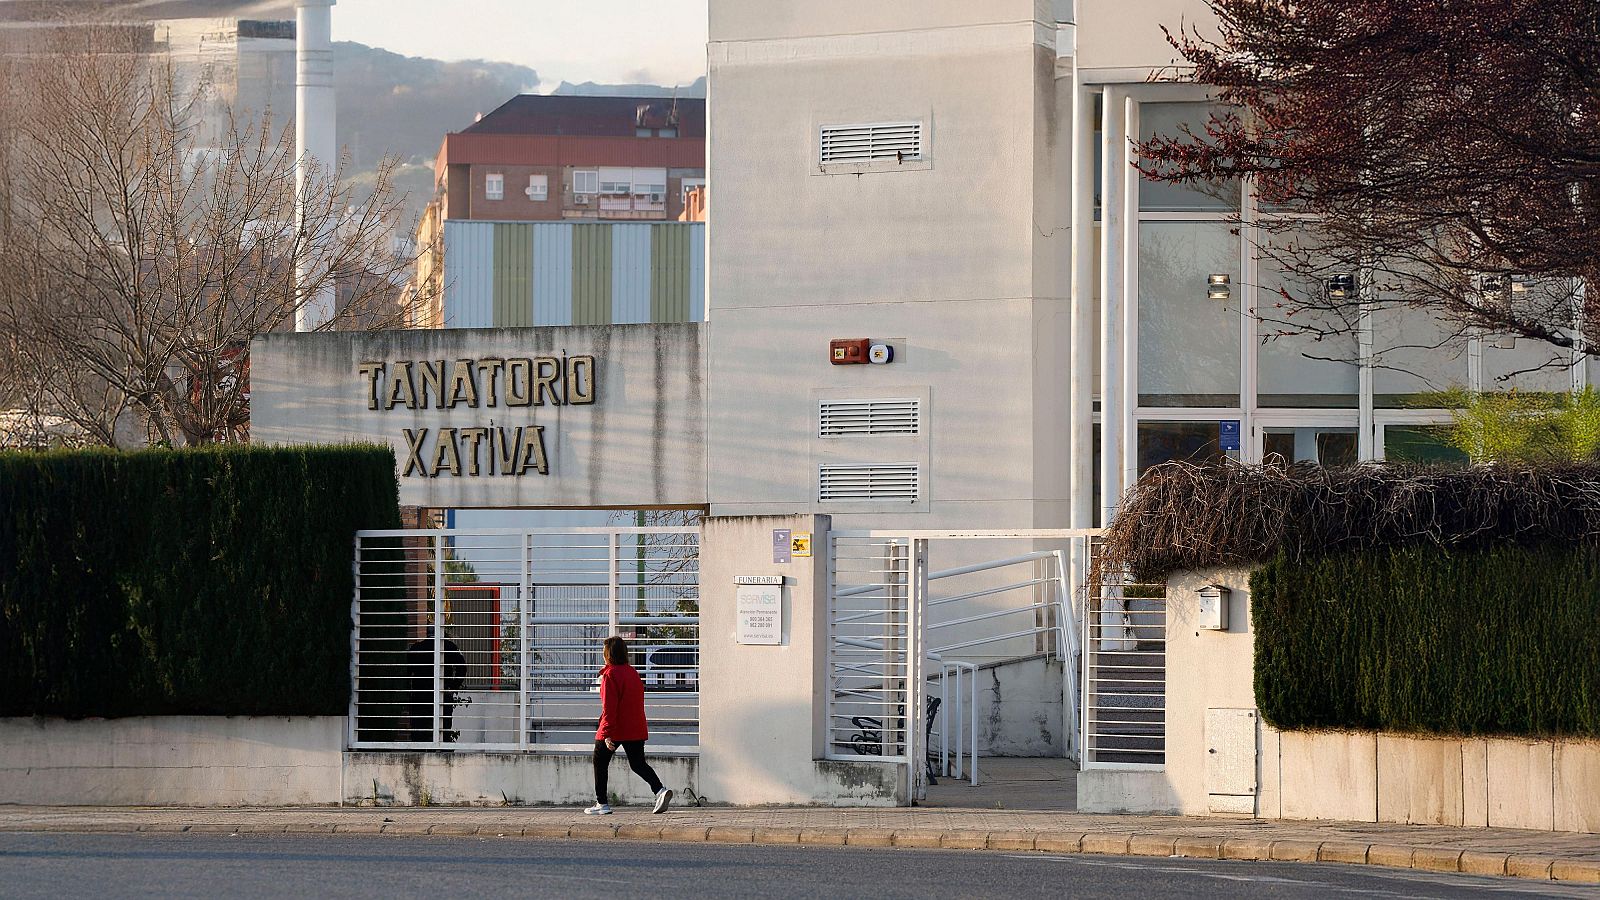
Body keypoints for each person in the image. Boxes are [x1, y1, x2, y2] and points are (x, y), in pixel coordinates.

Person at [586, 635, 673, 815]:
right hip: (635, 726)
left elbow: (609, 706)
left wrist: (607, 733)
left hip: (615, 727)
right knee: (638, 764)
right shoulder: (632, 673)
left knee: (599, 762)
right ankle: (660, 790)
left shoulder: (610, 675)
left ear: (608, 654)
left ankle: (602, 803)